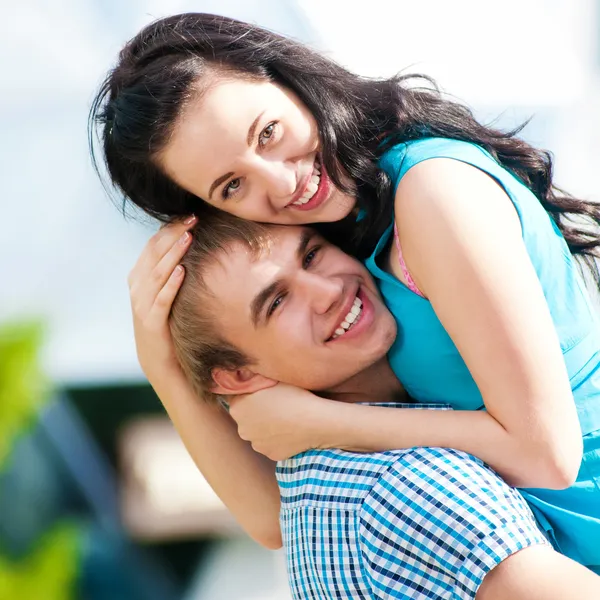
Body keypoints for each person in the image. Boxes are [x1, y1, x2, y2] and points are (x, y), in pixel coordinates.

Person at [90, 13, 600, 570]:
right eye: (232, 185)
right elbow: (270, 517)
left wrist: (321, 424)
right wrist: (161, 360)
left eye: (268, 133)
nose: (282, 183)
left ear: (287, 79)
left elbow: (546, 454)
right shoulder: (333, 246)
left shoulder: (432, 193)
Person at [169, 209, 600, 599]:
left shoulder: (313, 486)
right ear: (240, 376)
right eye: (278, 302)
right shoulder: (414, 486)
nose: (327, 292)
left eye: (312, 255)